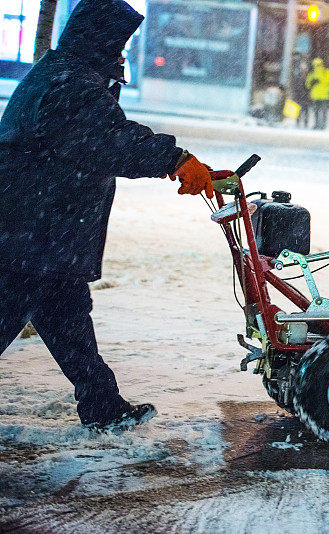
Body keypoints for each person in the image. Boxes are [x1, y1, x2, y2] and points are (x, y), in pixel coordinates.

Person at [0, 0, 226, 431]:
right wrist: (175, 159)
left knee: (67, 317)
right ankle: (102, 404)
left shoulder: (68, 74)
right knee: (23, 310)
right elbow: (109, 140)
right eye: (120, 42)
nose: (123, 52)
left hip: (40, 233)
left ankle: (103, 407)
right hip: (28, 234)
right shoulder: (70, 85)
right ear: (100, 39)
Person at [305, 57, 329, 130]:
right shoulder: (325, 72)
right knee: (321, 111)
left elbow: (308, 84)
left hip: (319, 95)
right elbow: (308, 84)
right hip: (321, 95)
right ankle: (321, 125)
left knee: (318, 111)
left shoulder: (322, 72)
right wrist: (313, 82)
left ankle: (319, 125)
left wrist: (315, 80)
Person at [292, 58, 310, 128]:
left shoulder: (308, 77)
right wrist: (295, 96)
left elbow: (308, 87)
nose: (304, 71)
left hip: (305, 97)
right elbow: (296, 88)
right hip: (300, 96)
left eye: (305, 70)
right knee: (299, 111)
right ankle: (298, 122)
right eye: (303, 70)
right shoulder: (298, 78)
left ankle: (305, 123)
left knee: (306, 111)